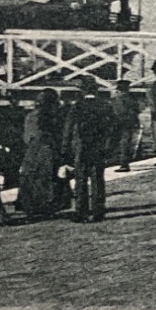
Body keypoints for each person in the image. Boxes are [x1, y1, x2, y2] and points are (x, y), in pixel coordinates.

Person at [63, 78, 116, 222]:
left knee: (80, 180)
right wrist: (109, 147)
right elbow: (113, 128)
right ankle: (99, 211)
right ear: (96, 90)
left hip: (81, 147)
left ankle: (81, 212)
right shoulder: (105, 106)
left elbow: (68, 130)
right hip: (98, 147)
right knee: (98, 179)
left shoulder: (77, 107)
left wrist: (65, 150)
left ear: (82, 91)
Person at [15, 89, 63, 219]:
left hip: (33, 148)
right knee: (47, 176)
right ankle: (47, 205)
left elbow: (26, 136)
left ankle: (30, 205)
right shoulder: (53, 117)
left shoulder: (30, 116)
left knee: (31, 175)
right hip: (47, 147)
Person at [109, 79, 141, 171]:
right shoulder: (132, 98)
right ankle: (124, 163)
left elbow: (116, 112)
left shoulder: (118, 99)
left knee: (120, 144)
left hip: (119, 124)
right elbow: (137, 110)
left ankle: (122, 164)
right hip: (129, 123)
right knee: (126, 143)